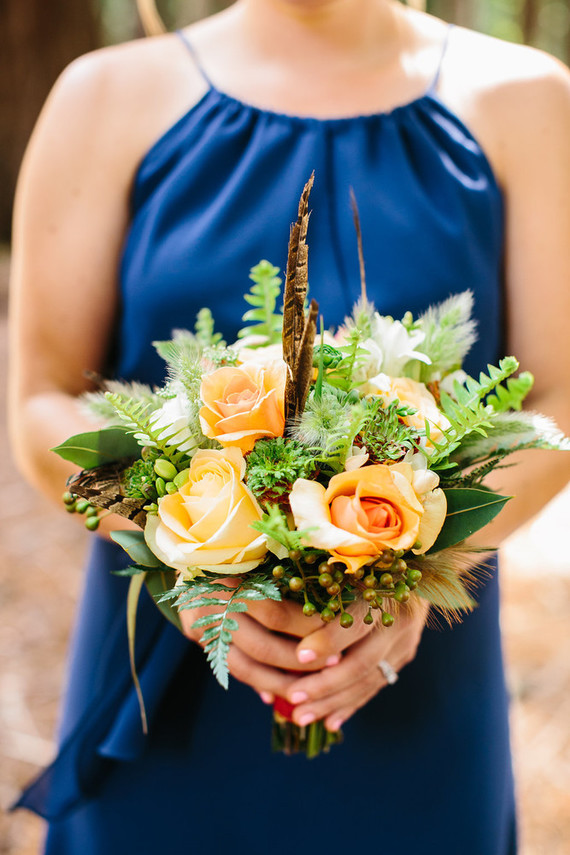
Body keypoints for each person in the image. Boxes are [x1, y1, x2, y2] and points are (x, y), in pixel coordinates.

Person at [8, 0, 570, 852]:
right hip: (174, 694)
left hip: (411, 691)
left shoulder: (528, 101)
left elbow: (558, 401)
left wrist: (417, 567)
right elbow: (41, 401)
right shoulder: (103, 98)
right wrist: (192, 557)